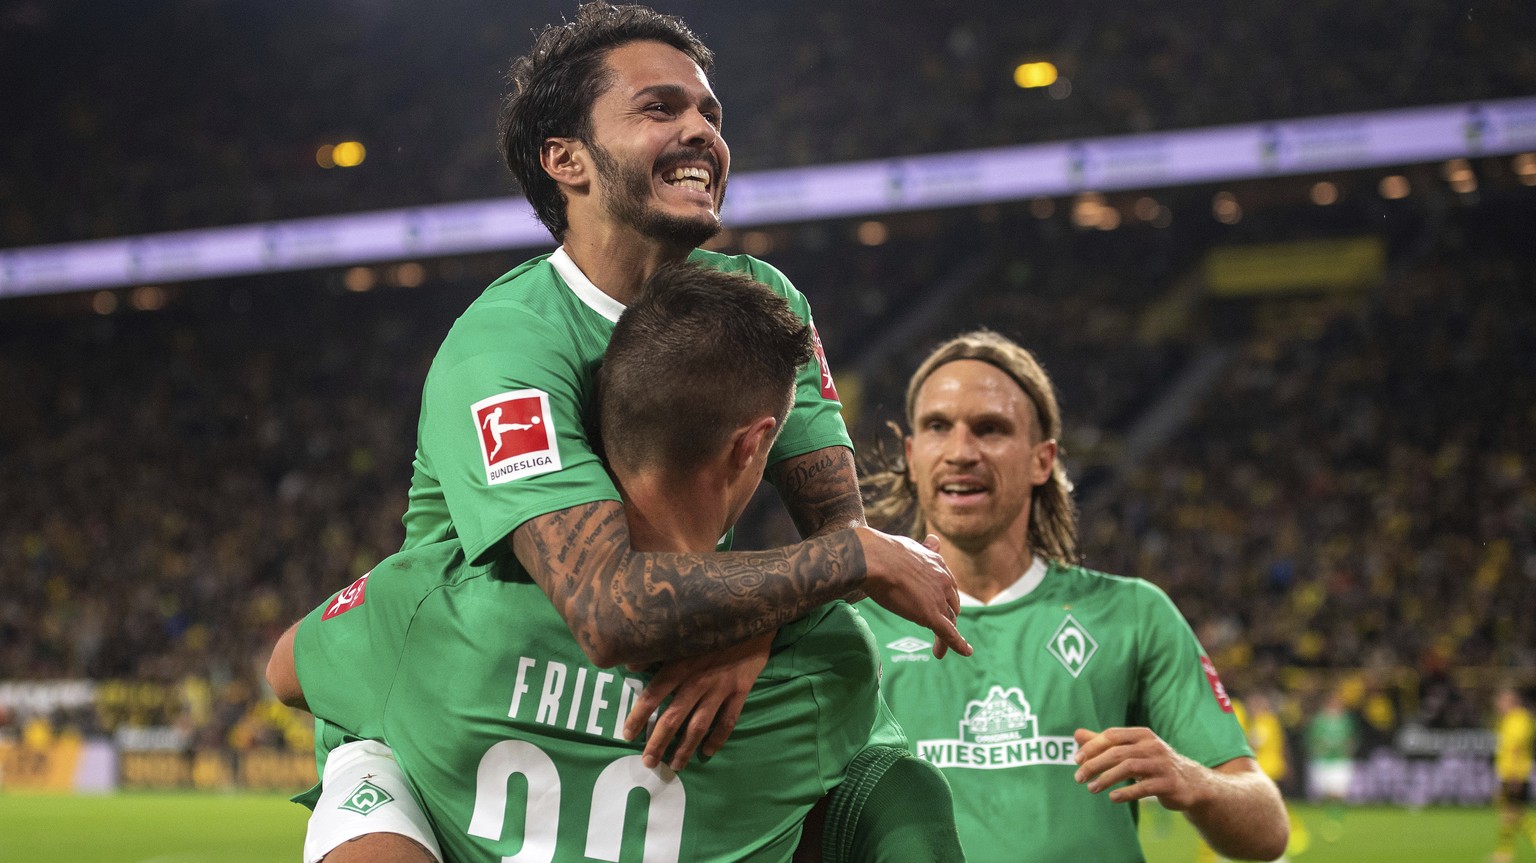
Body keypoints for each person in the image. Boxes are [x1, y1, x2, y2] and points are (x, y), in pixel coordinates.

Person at [278, 3, 971, 858]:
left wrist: (751, 627)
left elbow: (833, 532)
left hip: (663, 660)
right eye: (660, 109)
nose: (701, 133)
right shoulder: (506, 347)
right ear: (565, 159)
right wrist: (849, 561)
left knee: (900, 790)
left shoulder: (762, 302)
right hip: (477, 689)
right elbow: (610, 608)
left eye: (709, 113)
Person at [271, 263, 965, 863]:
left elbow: (287, 669)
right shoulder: (827, 665)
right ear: (750, 447)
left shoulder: (431, 603)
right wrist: (790, 608)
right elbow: (879, 792)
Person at [858, 330, 1288, 862]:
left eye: (990, 429)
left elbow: (1268, 831)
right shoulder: (855, 624)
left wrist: (1192, 778)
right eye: (937, 427)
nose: (960, 451)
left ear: (1043, 460)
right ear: (912, 453)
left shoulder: (1133, 615)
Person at [1303, 690, 1356, 842]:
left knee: (1338, 793)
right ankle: (1331, 818)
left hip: (1340, 761)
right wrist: (1319, 748)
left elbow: (1351, 739)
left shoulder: (1346, 720)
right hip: (1323, 762)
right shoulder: (1319, 721)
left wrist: (1347, 749)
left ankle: (1334, 821)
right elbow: (1312, 740)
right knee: (1325, 794)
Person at [1491, 686, 1534, 863]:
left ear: (1512, 701)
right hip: (1509, 774)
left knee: (1514, 815)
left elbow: (1516, 748)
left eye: (1501, 701)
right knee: (1509, 815)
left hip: (1516, 775)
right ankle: (1504, 853)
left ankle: (1504, 853)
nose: (1498, 705)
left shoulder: (1519, 719)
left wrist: (1514, 776)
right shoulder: (1509, 719)